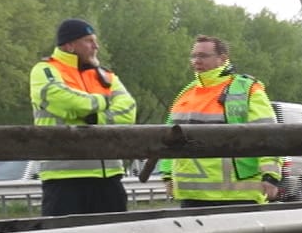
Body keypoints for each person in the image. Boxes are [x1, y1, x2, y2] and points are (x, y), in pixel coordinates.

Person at [29, 18, 137, 217]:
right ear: (70, 45)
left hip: (109, 178)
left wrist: (94, 119)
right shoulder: (45, 70)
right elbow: (67, 101)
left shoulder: (104, 75)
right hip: (64, 178)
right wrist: (105, 101)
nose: (96, 46)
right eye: (89, 41)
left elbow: (128, 111)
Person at [157, 35, 281, 208]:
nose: (196, 61)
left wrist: (271, 175)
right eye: (193, 56)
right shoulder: (187, 92)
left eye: (203, 56)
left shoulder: (246, 88)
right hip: (192, 195)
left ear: (222, 58)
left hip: (238, 194)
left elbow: (267, 133)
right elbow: (170, 136)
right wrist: (167, 174)